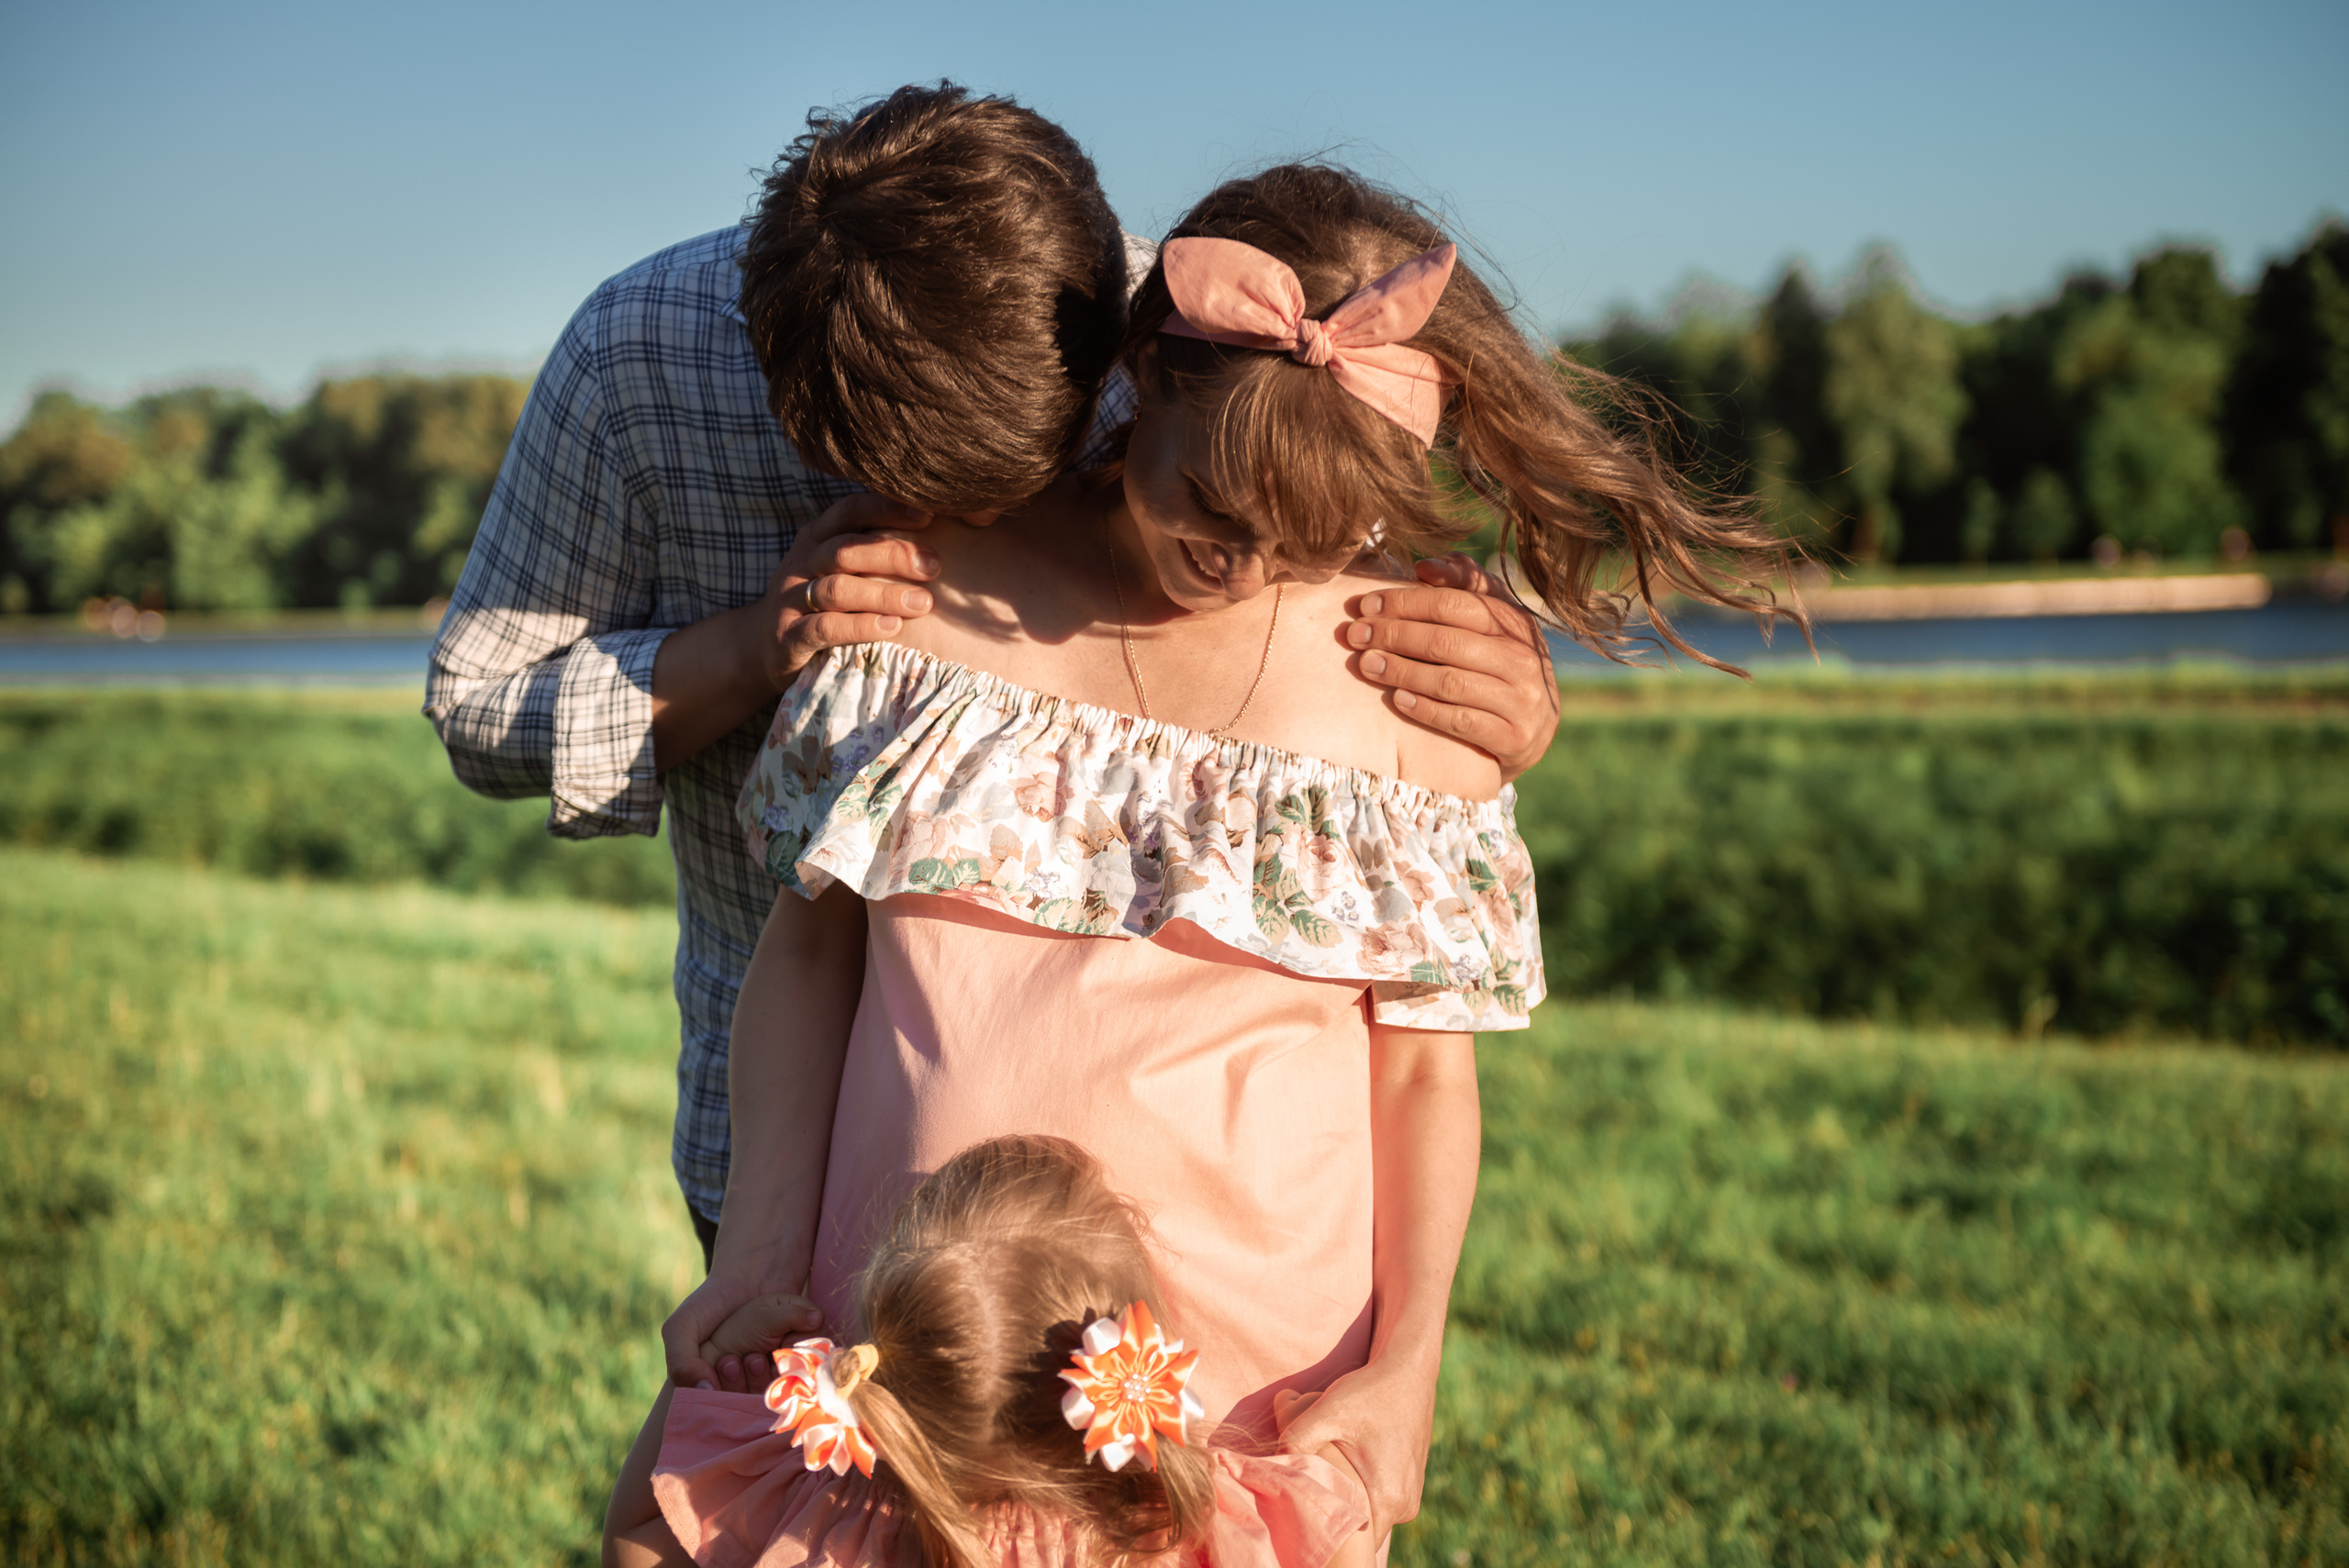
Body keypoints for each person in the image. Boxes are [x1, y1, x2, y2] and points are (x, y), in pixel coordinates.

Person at [684, 161, 1803, 1561]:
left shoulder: (1410, 685)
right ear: (1148, 372)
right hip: (921, 1351)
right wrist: (756, 1255)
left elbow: (1422, 1073)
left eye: (1306, 537)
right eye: (1212, 503)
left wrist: (1409, 1364)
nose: (1245, 562)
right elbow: (809, 960)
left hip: (1243, 1402)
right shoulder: (932, 601)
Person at [423, 84, 1564, 1276]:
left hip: (1187, 1209)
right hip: (788, 1136)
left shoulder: (1213, 314)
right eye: (943, 506)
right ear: (796, 409)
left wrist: (1502, 705)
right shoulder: (637, 358)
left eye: (1033, 482)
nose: (985, 557)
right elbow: (479, 708)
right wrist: (760, 644)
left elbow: (1323, 543)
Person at [605, 1135, 1378, 1567]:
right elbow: (1344, 1543)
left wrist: (701, 1380)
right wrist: (1351, 1460)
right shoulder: (1195, 1529)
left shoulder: (827, 1525)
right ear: (1136, 1358)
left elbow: (635, 1545)